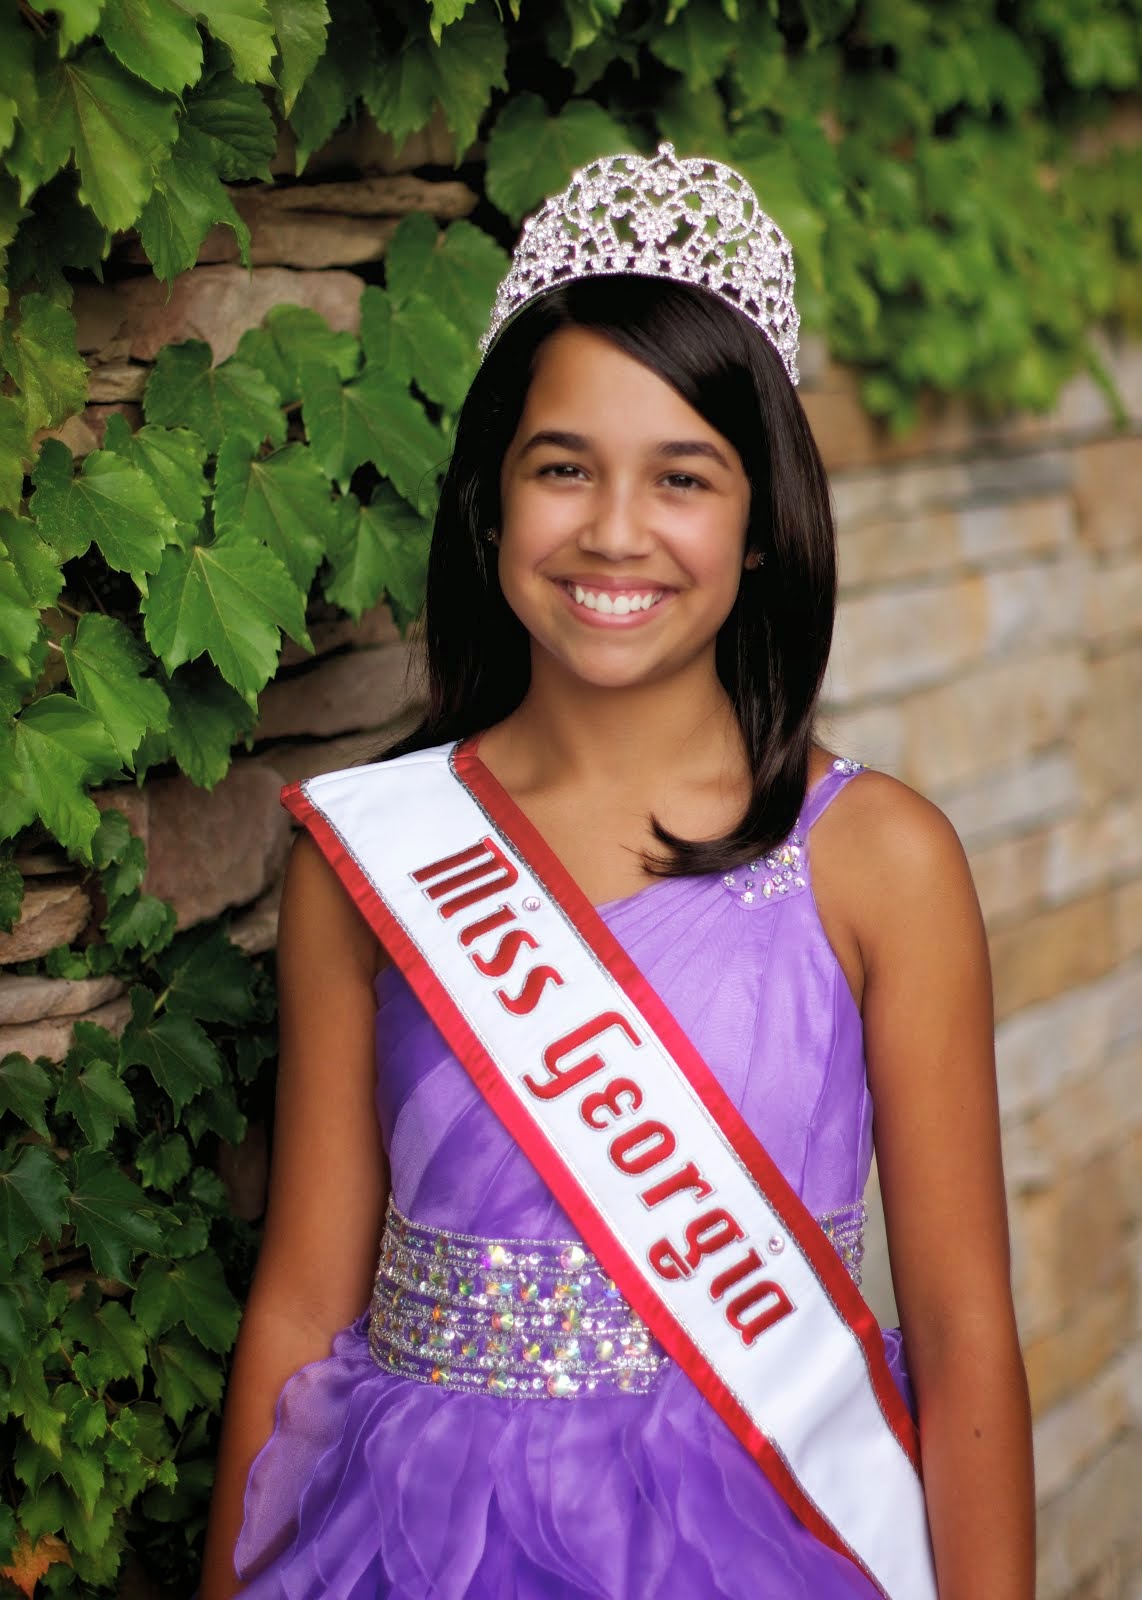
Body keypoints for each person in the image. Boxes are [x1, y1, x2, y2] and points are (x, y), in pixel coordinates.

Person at [199, 145, 1035, 1599]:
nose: (613, 531)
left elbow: (964, 1336)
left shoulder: (877, 862)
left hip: (763, 1543)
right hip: (413, 1547)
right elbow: (300, 1303)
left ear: (764, 520)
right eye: (562, 466)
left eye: (683, 477)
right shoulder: (374, 859)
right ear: (492, 501)